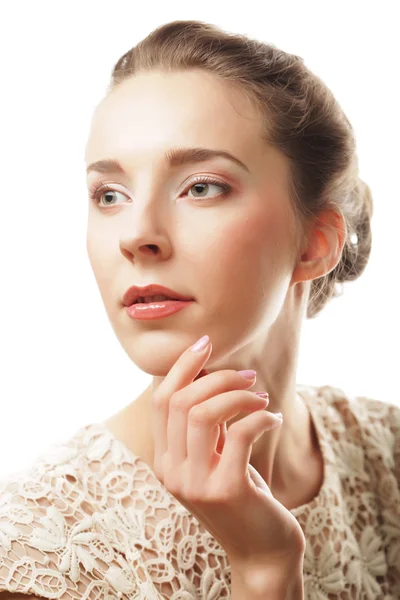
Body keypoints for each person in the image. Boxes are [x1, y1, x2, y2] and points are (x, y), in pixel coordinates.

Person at [0, 18, 399, 600]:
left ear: (315, 242)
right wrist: (264, 567)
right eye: (109, 196)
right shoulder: (39, 550)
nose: (137, 236)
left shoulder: (386, 454)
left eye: (201, 186)